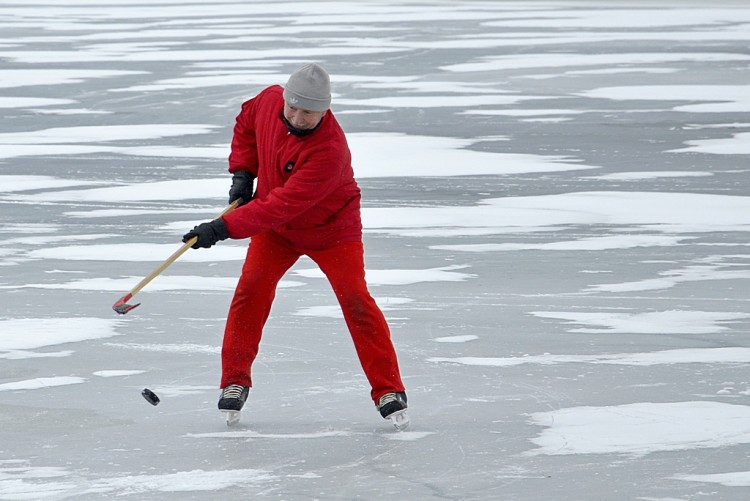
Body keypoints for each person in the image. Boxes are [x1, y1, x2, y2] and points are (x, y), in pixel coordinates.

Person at [183, 63, 408, 427]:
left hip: (331, 231)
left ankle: (388, 389)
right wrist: (244, 173)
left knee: (356, 300)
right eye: (293, 107)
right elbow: (246, 123)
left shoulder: (329, 151)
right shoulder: (270, 100)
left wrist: (221, 228)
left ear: (326, 110)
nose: (298, 116)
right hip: (277, 232)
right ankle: (234, 382)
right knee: (251, 290)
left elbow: (278, 206)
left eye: (309, 111)